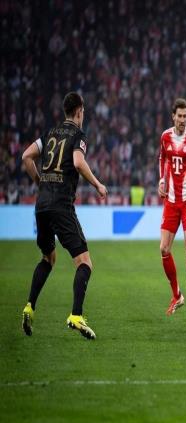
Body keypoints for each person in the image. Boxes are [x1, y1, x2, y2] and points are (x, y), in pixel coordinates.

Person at [20, 91, 107, 340]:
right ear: (78, 111)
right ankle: (76, 315)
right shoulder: (78, 135)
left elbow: (26, 156)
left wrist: (40, 182)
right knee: (84, 263)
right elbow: (78, 162)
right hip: (61, 205)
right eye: (83, 111)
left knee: (48, 258)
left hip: (42, 205)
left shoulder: (49, 133)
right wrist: (98, 184)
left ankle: (29, 307)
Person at [157, 98, 186, 316]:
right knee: (164, 249)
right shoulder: (165, 137)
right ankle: (177, 295)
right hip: (170, 201)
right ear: (173, 116)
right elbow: (162, 159)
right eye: (180, 116)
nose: (183, 120)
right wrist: (161, 180)